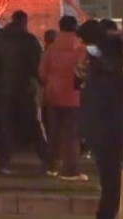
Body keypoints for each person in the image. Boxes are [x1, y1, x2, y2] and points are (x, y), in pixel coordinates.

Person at [79, 20, 123, 219]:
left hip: (110, 126)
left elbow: (118, 96)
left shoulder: (111, 65)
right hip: (106, 125)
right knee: (109, 175)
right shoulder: (107, 60)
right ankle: (106, 212)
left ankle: (106, 214)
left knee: (111, 175)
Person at [0, 10, 48, 175]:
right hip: (25, 88)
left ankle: (4, 162)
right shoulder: (30, 41)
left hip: (4, 88)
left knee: (5, 126)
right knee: (34, 125)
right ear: (25, 22)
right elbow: (37, 65)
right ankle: (46, 159)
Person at [40, 15, 86, 181]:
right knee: (72, 134)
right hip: (74, 96)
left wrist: (52, 83)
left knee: (54, 132)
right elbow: (83, 73)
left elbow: (42, 72)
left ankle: (52, 165)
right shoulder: (81, 48)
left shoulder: (51, 48)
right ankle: (70, 170)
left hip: (53, 95)